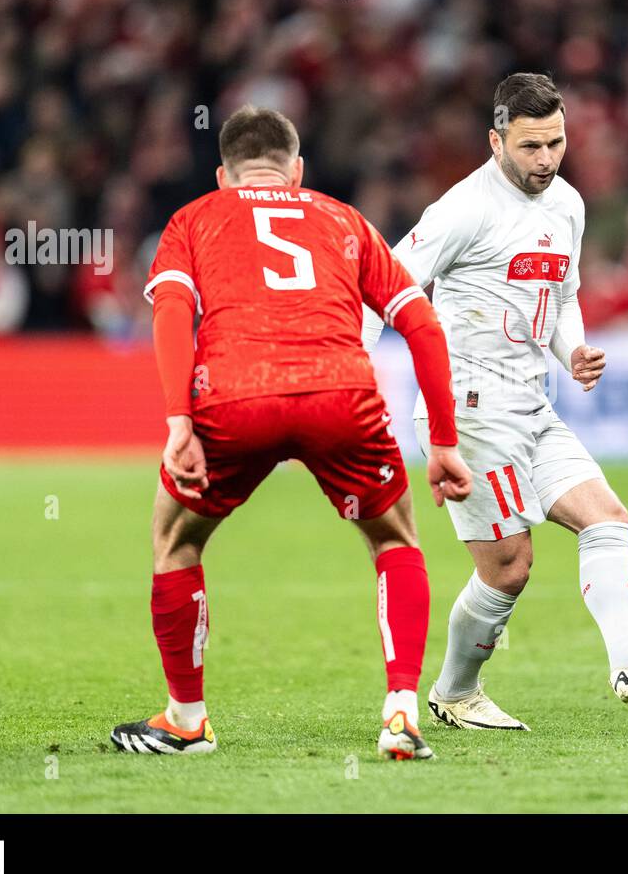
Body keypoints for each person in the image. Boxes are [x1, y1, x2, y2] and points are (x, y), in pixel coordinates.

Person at [365, 74, 628, 731]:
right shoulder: (462, 209)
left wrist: (574, 350)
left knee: (607, 517)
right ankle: (454, 692)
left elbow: (561, 296)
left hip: (533, 402)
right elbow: (383, 285)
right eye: (531, 146)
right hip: (469, 411)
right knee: (509, 570)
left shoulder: (568, 206)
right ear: (496, 140)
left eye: (556, 143)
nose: (546, 159)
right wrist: (350, 370)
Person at [112, 105, 471, 760]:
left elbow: (171, 312)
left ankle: (187, 720)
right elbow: (422, 325)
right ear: (296, 171)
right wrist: (443, 441)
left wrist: (177, 423)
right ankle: (400, 713)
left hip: (233, 395)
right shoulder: (343, 219)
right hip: (341, 394)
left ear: (224, 174)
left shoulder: (194, 218)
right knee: (394, 538)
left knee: (175, 539)